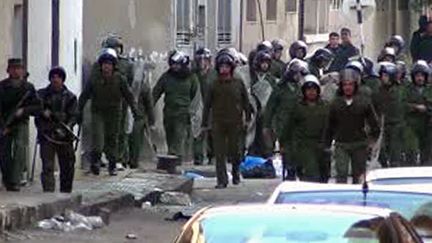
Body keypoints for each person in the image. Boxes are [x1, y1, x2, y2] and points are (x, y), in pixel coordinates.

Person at [78, 48, 141, 176]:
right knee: (98, 139)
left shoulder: (120, 79)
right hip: (98, 112)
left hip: (114, 112)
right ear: (101, 66)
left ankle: (112, 165)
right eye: (104, 64)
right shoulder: (94, 79)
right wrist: (78, 111)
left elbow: (129, 96)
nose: (107, 67)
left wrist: (135, 111)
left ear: (113, 66)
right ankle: (95, 163)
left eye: (109, 64)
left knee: (112, 139)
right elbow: (84, 96)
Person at [202, 51, 251, 189]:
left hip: (235, 123)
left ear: (231, 68)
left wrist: (247, 118)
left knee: (235, 151)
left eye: (227, 66)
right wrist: (204, 123)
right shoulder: (213, 85)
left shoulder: (238, 83)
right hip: (218, 123)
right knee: (219, 153)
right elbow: (207, 105)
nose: (224, 69)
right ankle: (221, 180)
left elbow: (246, 102)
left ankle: (236, 173)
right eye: (221, 66)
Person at [324, 68, 380, 184]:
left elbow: (374, 123)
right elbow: (330, 125)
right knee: (341, 173)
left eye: (350, 84)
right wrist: (327, 143)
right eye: (345, 85)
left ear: (355, 85)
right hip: (341, 144)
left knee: (359, 175)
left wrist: (372, 141)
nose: (347, 87)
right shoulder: (336, 103)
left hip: (359, 143)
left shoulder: (363, 102)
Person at [264, 59, 309, 180]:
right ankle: (290, 172)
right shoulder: (280, 89)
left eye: (300, 74)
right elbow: (270, 108)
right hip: (283, 126)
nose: (298, 77)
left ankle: (300, 171)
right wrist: (266, 126)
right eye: (296, 74)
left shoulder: (303, 88)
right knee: (287, 151)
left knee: (300, 151)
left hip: (300, 126)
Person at [0, 58, 41, 191]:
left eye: (19, 68)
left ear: (23, 70)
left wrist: (24, 110)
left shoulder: (28, 88)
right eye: (13, 68)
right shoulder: (2, 86)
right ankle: (8, 180)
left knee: (20, 148)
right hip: (5, 121)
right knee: (4, 152)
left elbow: (38, 106)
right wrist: (3, 126)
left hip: (21, 122)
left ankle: (15, 180)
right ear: (8, 70)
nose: (16, 71)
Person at [35, 67, 78, 192]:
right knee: (47, 166)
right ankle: (48, 193)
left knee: (67, 166)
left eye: (58, 77)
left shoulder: (70, 97)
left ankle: (66, 193)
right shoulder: (41, 95)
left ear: (62, 79)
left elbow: (74, 116)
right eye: (53, 77)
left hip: (64, 137)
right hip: (47, 135)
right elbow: (34, 109)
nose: (55, 79)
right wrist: (43, 113)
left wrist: (67, 127)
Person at [153, 50, 199, 161]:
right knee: (170, 136)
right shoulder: (166, 77)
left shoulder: (191, 77)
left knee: (179, 138)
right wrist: (149, 106)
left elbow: (195, 95)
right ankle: (171, 157)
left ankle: (177, 160)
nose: (175, 67)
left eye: (177, 64)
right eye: (173, 64)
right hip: (169, 111)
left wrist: (191, 111)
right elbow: (156, 93)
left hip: (183, 112)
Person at [101, 35, 135, 169]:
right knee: (105, 130)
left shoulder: (126, 64)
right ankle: (107, 156)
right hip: (104, 101)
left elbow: (130, 82)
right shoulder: (102, 61)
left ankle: (119, 158)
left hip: (121, 101)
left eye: (117, 48)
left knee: (121, 131)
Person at [288, 74, 330, 182]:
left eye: (313, 89)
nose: (311, 92)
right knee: (311, 173)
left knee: (324, 175)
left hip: (323, 143)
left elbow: (332, 123)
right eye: (308, 90)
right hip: (305, 144)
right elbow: (289, 126)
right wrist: (286, 144)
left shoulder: (325, 106)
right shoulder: (298, 107)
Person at [372, 62, 406, 168]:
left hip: (397, 125)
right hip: (382, 125)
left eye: (386, 75)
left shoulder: (401, 90)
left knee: (395, 152)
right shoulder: (378, 91)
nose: (383, 78)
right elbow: (373, 107)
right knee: (381, 151)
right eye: (382, 75)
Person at [248, 51, 277, 158]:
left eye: (267, 63)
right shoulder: (252, 78)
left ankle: (267, 152)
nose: (264, 65)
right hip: (254, 111)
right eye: (262, 62)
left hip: (267, 111)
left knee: (266, 133)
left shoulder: (271, 79)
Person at [404, 60, 432, 165]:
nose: (419, 78)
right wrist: (415, 107)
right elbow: (402, 105)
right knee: (411, 152)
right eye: (417, 75)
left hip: (428, 126)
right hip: (412, 126)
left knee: (428, 155)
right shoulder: (407, 89)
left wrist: (427, 109)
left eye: (422, 75)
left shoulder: (430, 89)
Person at [192, 48, 215, 165]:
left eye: (205, 60)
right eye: (199, 60)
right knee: (198, 132)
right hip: (198, 105)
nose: (202, 62)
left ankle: (212, 156)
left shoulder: (214, 74)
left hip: (212, 106)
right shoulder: (193, 74)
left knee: (212, 133)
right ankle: (198, 157)